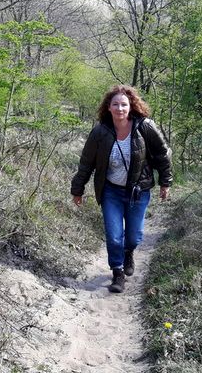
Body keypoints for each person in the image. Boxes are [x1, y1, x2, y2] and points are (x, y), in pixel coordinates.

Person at [70, 85, 172, 293]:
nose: (120, 108)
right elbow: (86, 163)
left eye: (123, 104)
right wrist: (77, 189)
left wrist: (165, 182)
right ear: (108, 107)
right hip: (111, 191)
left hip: (138, 190)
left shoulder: (145, 127)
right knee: (114, 234)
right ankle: (118, 273)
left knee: (133, 236)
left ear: (131, 106)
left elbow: (162, 154)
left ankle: (129, 252)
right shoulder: (100, 132)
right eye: (115, 104)